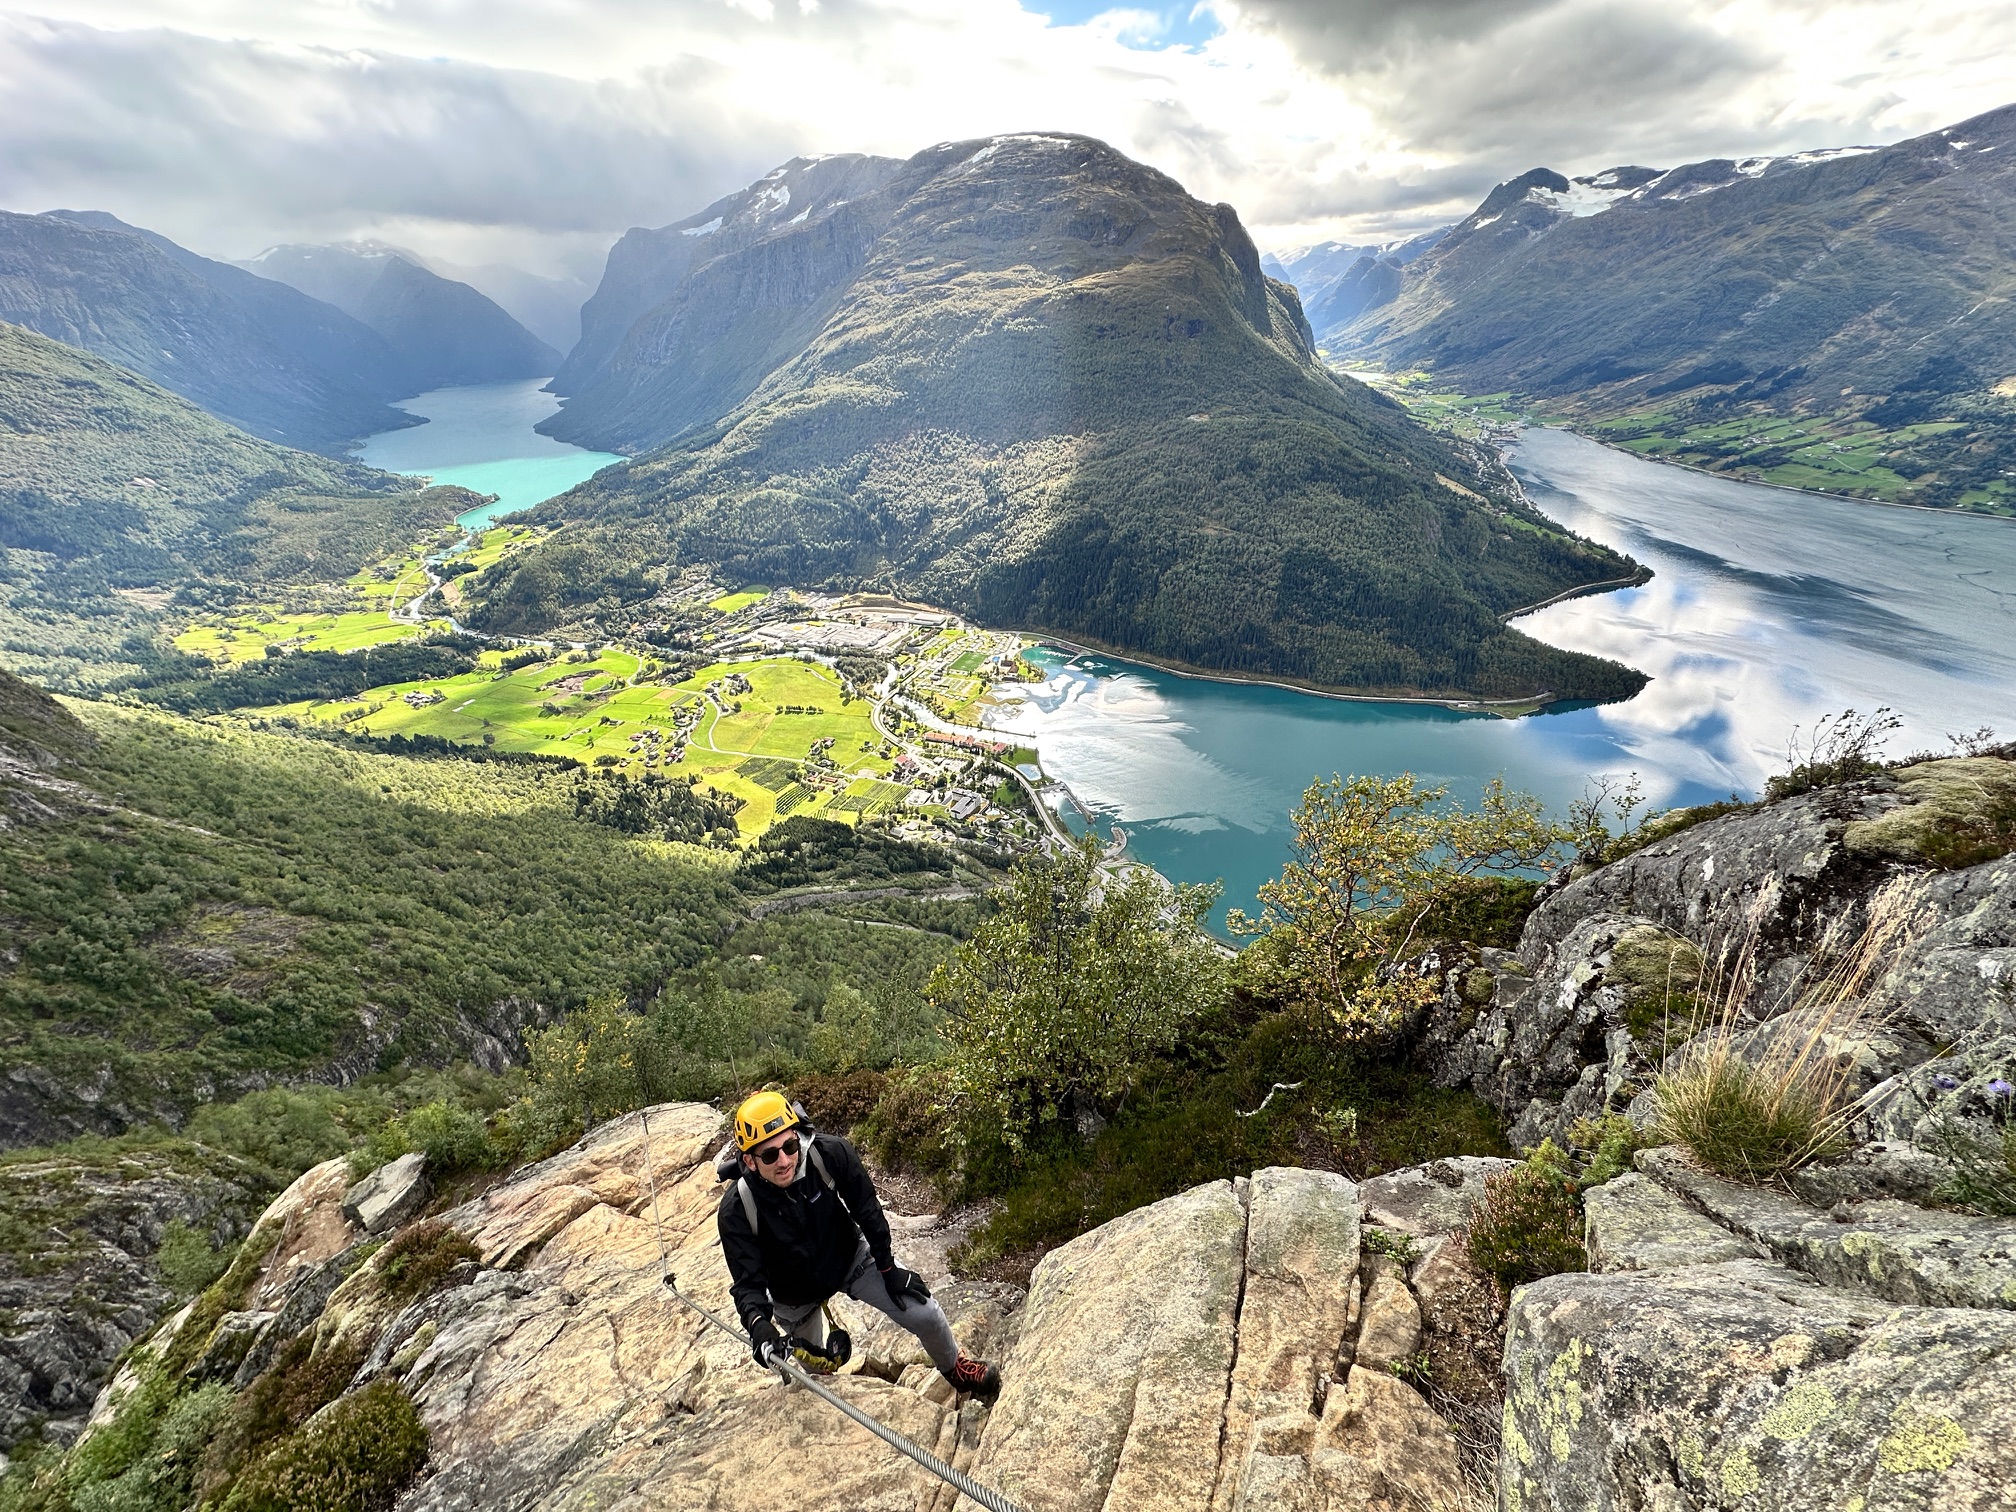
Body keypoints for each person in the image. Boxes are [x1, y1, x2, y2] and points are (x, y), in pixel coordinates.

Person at [716, 1090, 1000, 1399]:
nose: (784, 1160)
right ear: (750, 1160)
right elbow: (748, 1282)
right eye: (770, 1155)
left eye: (790, 1146)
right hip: (791, 1293)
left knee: (926, 1314)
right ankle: (829, 1384)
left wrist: (888, 1268)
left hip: (850, 1259)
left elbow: (868, 1212)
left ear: (797, 1136)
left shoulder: (829, 1155)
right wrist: (758, 1323)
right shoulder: (738, 1208)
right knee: (814, 1377)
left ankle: (955, 1369)